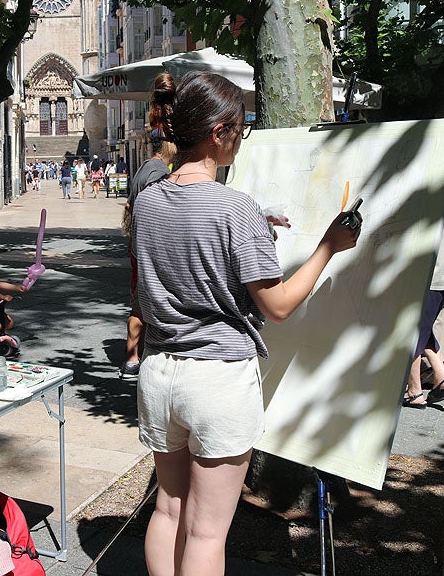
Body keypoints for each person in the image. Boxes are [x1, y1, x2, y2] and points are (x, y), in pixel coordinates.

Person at [132, 71, 360, 576]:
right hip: (217, 378)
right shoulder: (237, 207)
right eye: (241, 127)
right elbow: (277, 306)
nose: (243, 136)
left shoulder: (147, 201)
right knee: (208, 532)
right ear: (219, 131)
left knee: (168, 511)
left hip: (159, 372)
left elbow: (178, 262)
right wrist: (327, 247)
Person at [119, 127, 176, 381]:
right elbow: (157, 209)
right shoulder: (158, 172)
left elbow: (131, 204)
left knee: (139, 303)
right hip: (148, 247)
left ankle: (134, 359)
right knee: (143, 305)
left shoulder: (145, 167)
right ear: (167, 144)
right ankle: (134, 361)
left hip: (139, 244)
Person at [403, 194, 444, 407]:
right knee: (424, 331)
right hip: (442, 277)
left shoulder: (431, 197)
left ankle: (415, 390)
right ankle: (441, 377)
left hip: (428, 278)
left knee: (411, 333)